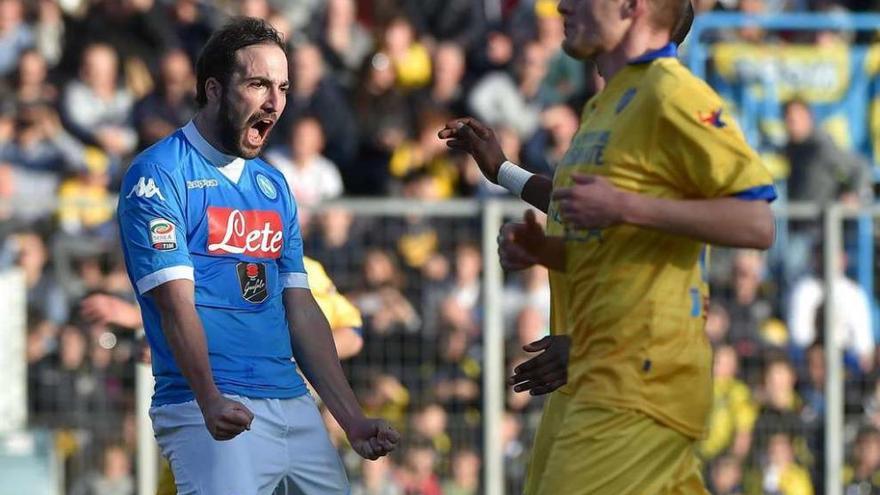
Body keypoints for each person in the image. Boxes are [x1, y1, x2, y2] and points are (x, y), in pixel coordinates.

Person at [439, 0, 777, 493]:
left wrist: (626, 207)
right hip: (590, 369)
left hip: (634, 382)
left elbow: (756, 221)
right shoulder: (604, 106)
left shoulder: (671, 95)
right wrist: (510, 185)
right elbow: (591, 216)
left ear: (631, 7)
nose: (562, 5)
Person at [116, 18, 397, 495]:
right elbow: (175, 305)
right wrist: (208, 399)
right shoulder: (158, 174)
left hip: (293, 402)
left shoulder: (272, 185)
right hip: (212, 406)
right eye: (258, 84)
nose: (275, 103)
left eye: (283, 87)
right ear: (213, 90)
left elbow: (300, 307)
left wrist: (350, 418)